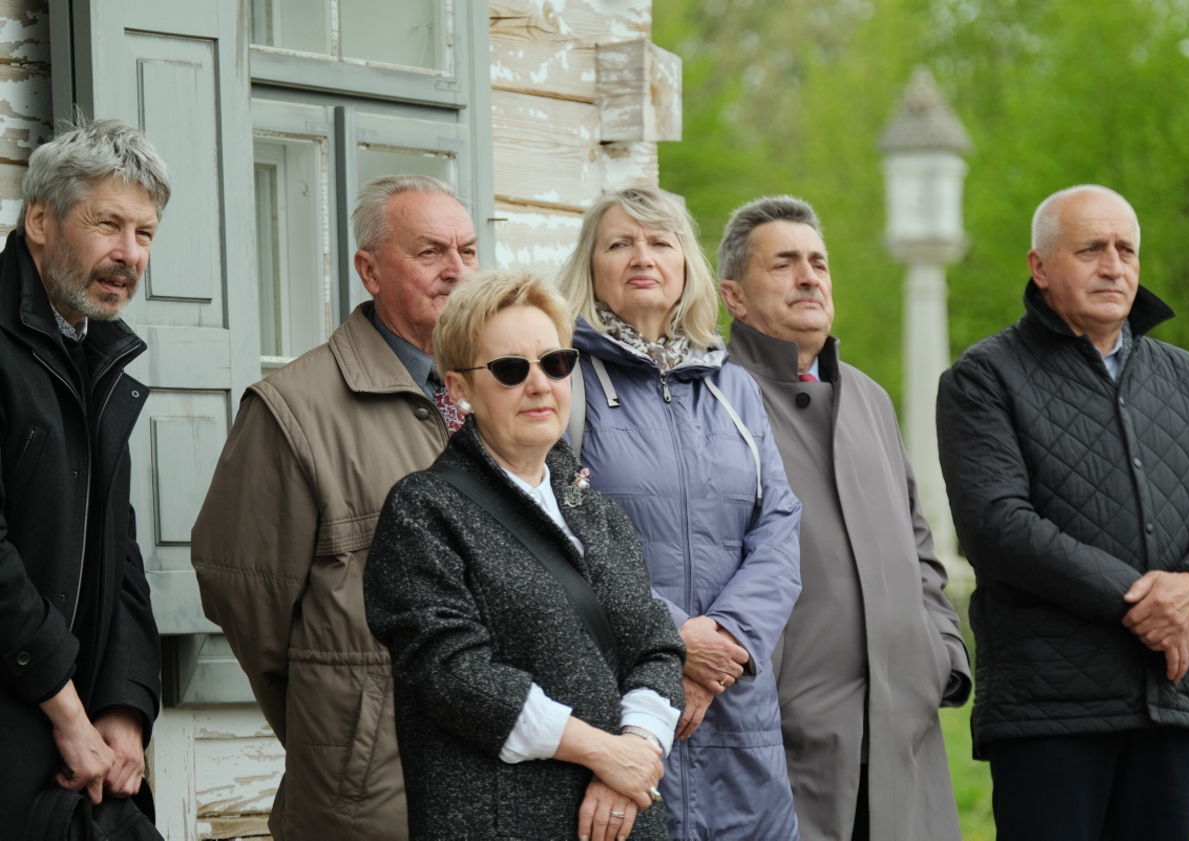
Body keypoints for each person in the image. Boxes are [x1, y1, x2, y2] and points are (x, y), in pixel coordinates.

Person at [937, 184, 1189, 841]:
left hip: (1170, 699)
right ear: (1040, 266)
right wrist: (1145, 604)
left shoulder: (1187, 376)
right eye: (1091, 249)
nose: (1114, 265)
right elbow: (998, 526)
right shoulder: (984, 377)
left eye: (1126, 249)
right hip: (1048, 709)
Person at [191, 174, 479, 840]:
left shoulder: (498, 389)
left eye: (468, 251)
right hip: (369, 792)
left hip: (496, 770)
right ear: (369, 269)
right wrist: (346, 718)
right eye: (431, 252)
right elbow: (245, 593)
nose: (457, 271)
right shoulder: (293, 408)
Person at [364, 270, 685, 841]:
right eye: (511, 370)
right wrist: (602, 752)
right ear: (459, 389)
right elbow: (449, 672)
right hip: (501, 822)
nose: (540, 384)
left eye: (555, 363)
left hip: (623, 817)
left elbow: (656, 646)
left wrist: (633, 751)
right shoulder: (424, 509)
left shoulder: (598, 511)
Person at [716, 195, 971, 841]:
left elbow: (918, 545)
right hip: (785, 744)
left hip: (901, 731)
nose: (809, 277)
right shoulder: (713, 399)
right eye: (784, 263)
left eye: (818, 262)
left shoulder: (870, 398)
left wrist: (939, 653)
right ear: (734, 297)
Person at [556, 185, 803, 841]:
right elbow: (558, 530)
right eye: (620, 243)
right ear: (591, 265)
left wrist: (726, 638)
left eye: (660, 241)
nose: (643, 256)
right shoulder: (563, 381)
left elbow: (779, 527)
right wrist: (675, 643)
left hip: (734, 702)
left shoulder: (734, 387)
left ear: (686, 263)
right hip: (618, 703)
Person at [0, 118, 168, 828]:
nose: (128, 254)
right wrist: (66, 707)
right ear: (40, 219)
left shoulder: (95, 355)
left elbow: (119, 550)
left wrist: (125, 707)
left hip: (86, 753)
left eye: (146, 234)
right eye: (108, 225)